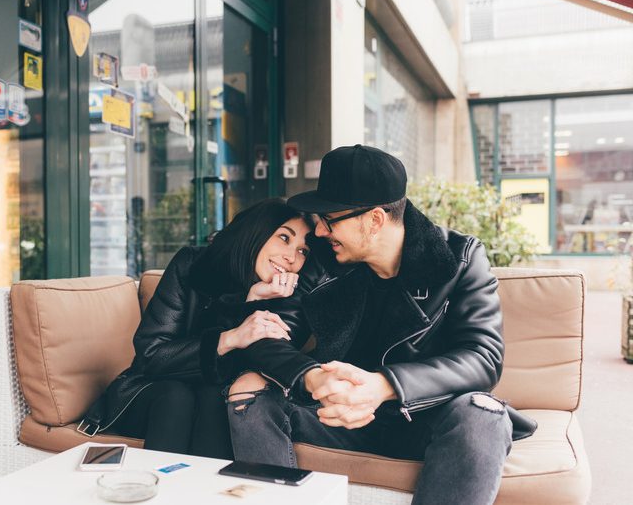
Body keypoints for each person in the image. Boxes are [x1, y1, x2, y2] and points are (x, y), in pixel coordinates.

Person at [226, 145, 537, 505]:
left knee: (483, 414)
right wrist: (313, 376)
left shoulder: (459, 258)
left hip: (423, 418)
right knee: (250, 393)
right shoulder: (323, 261)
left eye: (331, 219)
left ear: (374, 220)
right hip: (335, 415)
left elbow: (483, 357)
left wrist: (384, 386)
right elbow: (269, 333)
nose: (320, 231)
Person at [78, 198, 315, 458]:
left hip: (210, 400)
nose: (291, 257)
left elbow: (248, 379)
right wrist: (229, 338)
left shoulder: (288, 296)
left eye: (303, 251)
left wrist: (253, 303)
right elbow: (151, 356)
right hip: (151, 394)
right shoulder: (194, 265)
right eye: (284, 238)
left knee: (215, 398)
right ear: (255, 232)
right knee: (177, 397)